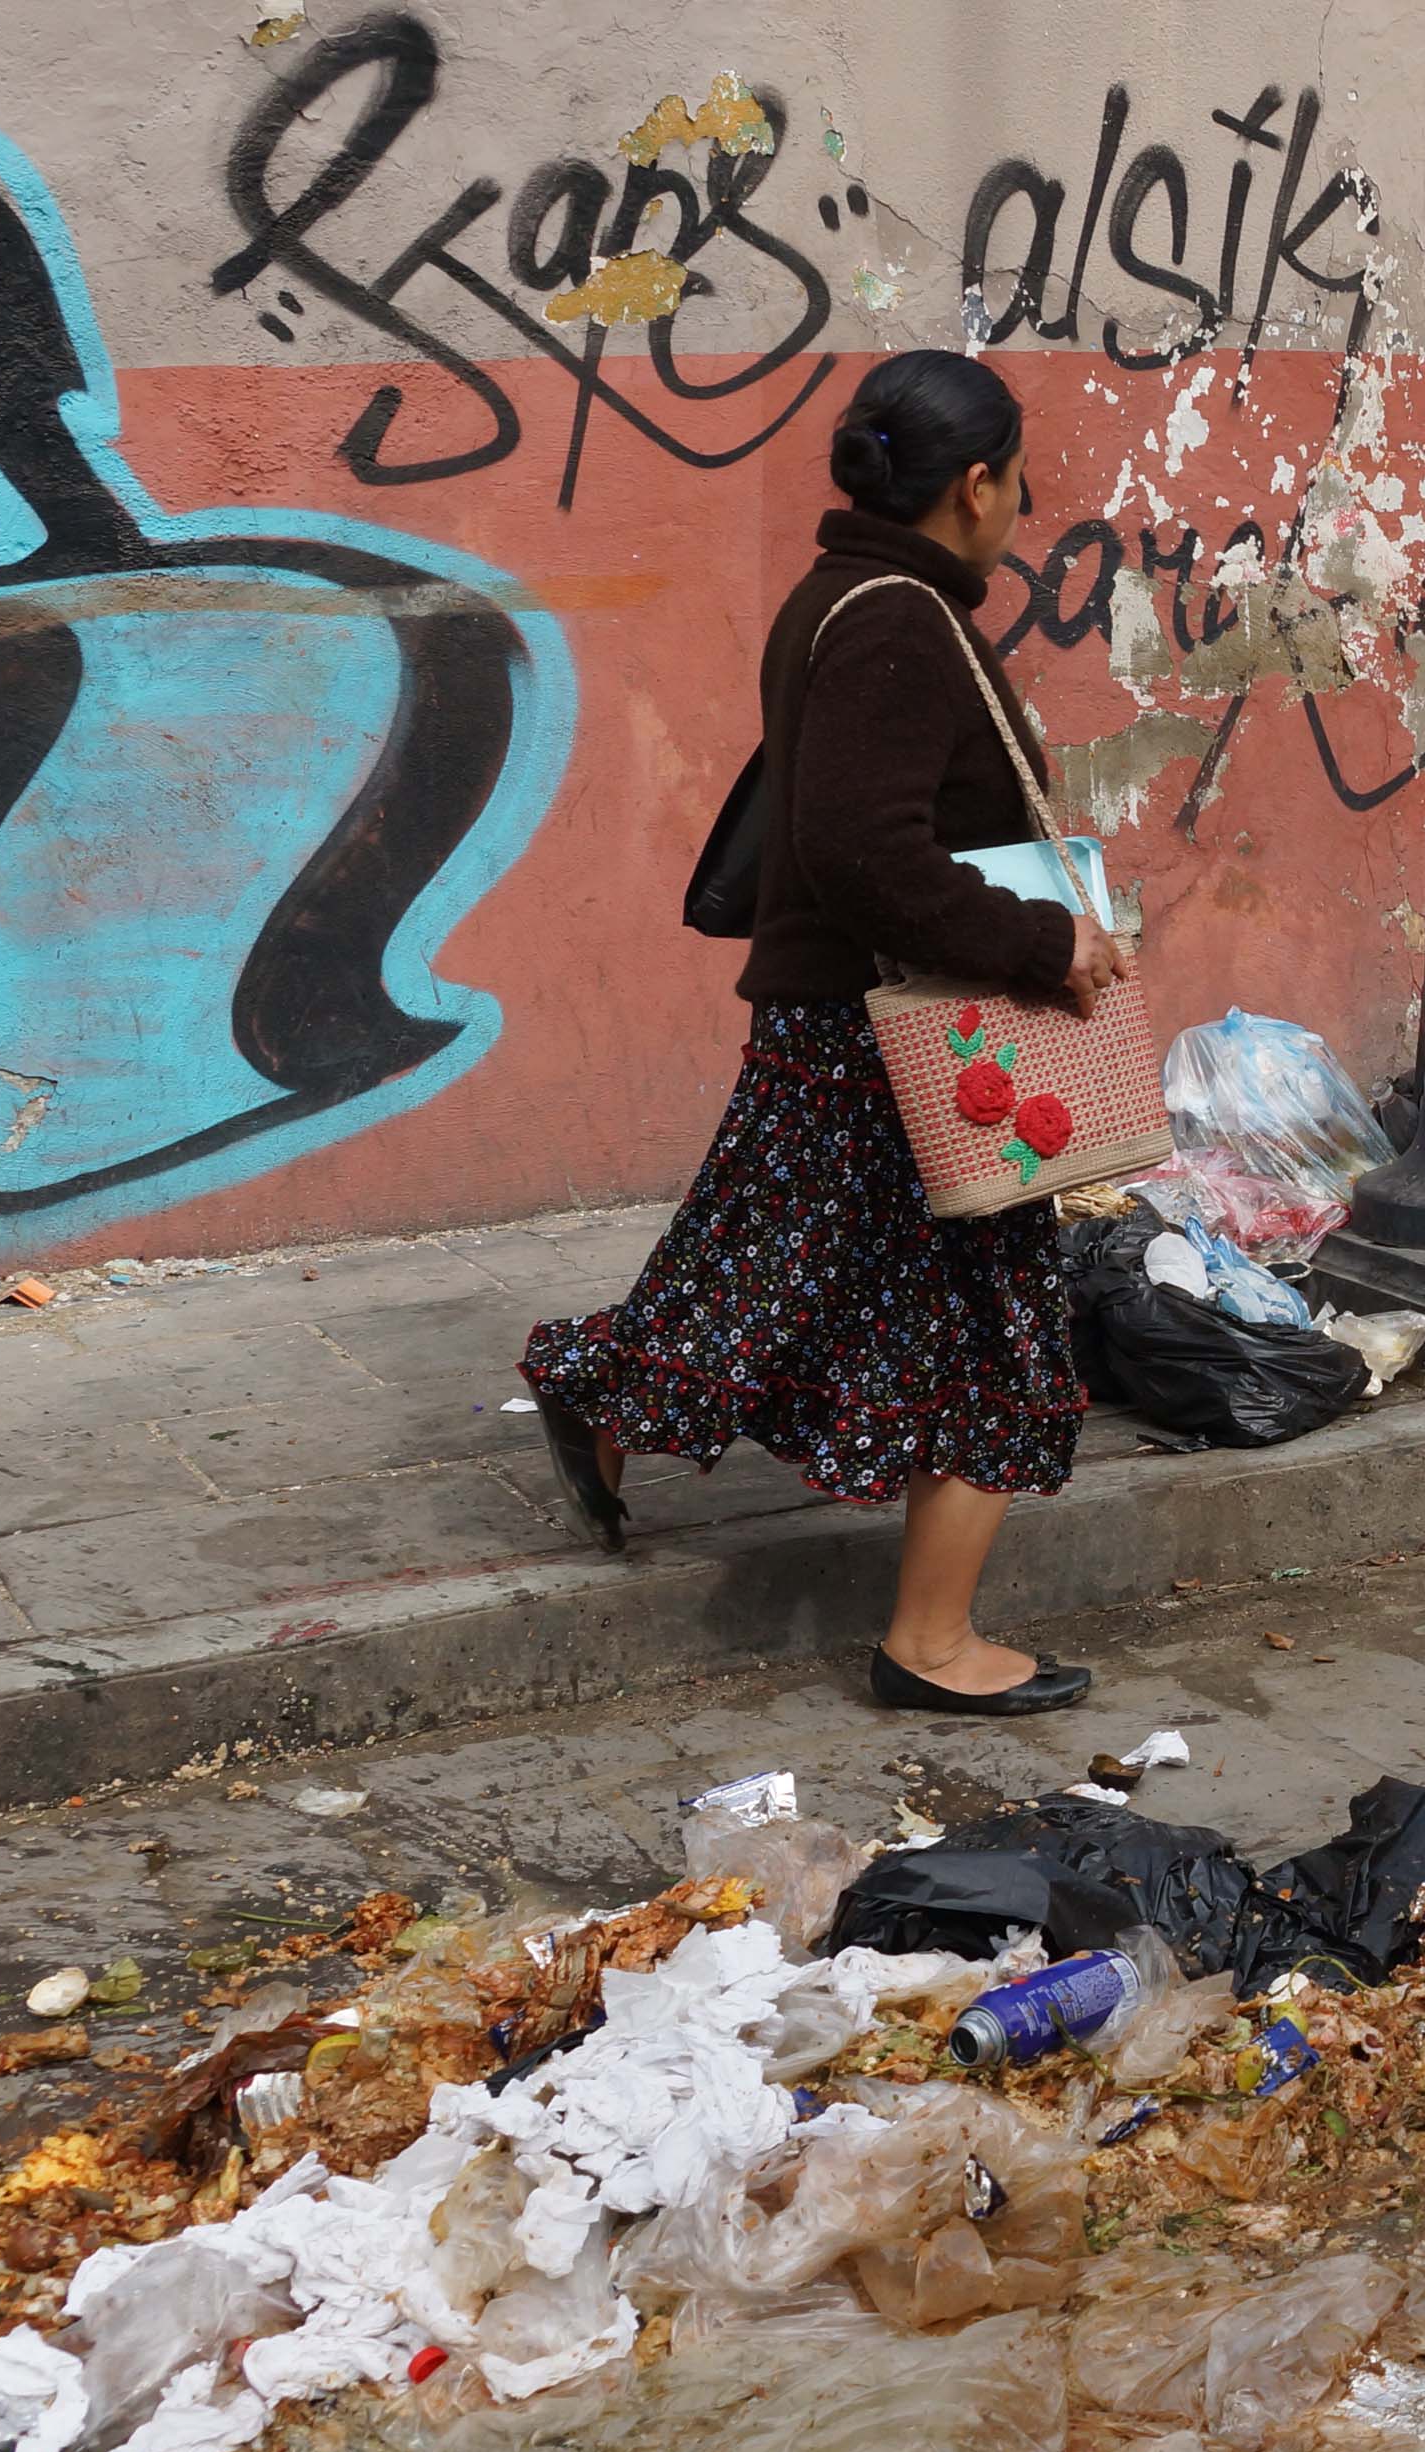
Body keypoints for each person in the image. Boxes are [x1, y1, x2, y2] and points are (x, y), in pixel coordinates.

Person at [520, 350, 1133, 1719]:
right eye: (1019, 478)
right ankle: (929, 1644)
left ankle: (604, 1408)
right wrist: (1050, 941)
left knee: (765, 1260)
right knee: (999, 1333)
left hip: (836, 1018)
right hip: (906, 1036)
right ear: (975, 484)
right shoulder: (898, 620)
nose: (1025, 506)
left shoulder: (840, 597)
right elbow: (866, 853)